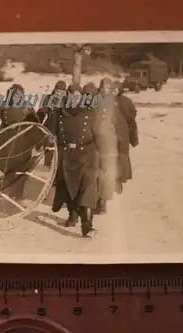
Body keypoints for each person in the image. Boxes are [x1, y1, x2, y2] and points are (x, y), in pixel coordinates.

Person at [49, 82, 107, 237]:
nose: (74, 97)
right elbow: (50, 133)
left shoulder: (91, 113)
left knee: (87, 189)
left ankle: (87, 227)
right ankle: (72, 215)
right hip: (68, 155)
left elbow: (100, 136)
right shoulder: (58, 113)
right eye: (71, 94)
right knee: (70, 189)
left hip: (88, 154)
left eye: (77, 95)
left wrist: (104, 156)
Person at [0, 84, 40, 203]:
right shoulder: (2, 106)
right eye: (14, 95)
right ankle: (7, 191)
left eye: (19, 96)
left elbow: (35, 124)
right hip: (6, 141)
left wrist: (36, 140)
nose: (16, 98)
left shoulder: (27, 107)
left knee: (22, 167)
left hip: (23, 141)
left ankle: (18, 194)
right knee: (7, 166)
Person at [93, 77, 120, 214]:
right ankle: (95, 200)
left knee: (105, 173)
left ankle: (102, 202)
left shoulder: (113, 102)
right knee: (95, 172)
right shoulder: (95, 99)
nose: (105, 89)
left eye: (108, 87)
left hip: (108, 142)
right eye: (103, 87)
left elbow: (117, 121)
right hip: (94, 141)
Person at [113, 80, 139, 192]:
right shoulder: (127, 101)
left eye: (115, 90)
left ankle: (119, 180)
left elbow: (131, 121)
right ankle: (117, 179)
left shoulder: (124, 102)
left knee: (120, 156)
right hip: (119, 133)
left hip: (122, 133)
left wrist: (133, 137)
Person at [36, 80, 68, 169]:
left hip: (62, 127)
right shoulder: (48, 98)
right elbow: (42, 112)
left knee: (61, 148)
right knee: (48, 145)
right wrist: (38, 122)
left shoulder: (67, 101)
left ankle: (59, 166)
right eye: (57, 91)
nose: (59, 94)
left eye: (61, 92)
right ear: (54, 91)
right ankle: (47, 164)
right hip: (51, 125)